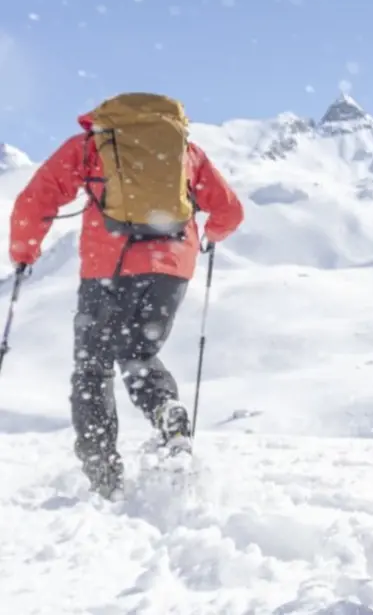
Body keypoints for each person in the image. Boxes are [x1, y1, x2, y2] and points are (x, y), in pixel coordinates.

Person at [9, 94, 244, 500]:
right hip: (171, 270)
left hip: (109, 269)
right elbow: (229, 211)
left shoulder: (91, 145)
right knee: (138, 353)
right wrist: (210, 236)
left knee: (92, 370)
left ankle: (104, 478)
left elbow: (37, 199)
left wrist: (24, 254)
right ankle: (165, 409)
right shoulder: (186, 152)